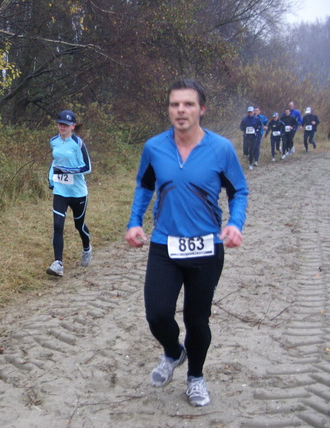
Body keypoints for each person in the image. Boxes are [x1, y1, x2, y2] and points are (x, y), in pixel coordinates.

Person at [125, 78, 248, 407]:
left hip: (207, 248)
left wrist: (235, 224)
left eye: (188, 104)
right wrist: (135, 221)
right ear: (168, 109)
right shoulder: (154, 147)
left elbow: (239, 192)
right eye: (175, 104)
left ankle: (195, 378)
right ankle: (172, 352)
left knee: (197, 319)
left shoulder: (220, 149)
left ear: (201, 110)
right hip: (165, 246)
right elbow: (144, 187)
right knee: (157, 314)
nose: (181, 110)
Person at [46, 110, 92, 277]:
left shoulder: (78, 143)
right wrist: (51, 177)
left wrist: (67, 170)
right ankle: (58, 263)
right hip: (60, 190)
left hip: (78, 192)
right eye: (60, 124)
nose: (62, 127)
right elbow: (55, 162)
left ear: (73, 126)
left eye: (65, 124)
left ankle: (87, 248)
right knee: (58, 225)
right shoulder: (53, 142)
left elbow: (87, 167)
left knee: (79, 225)